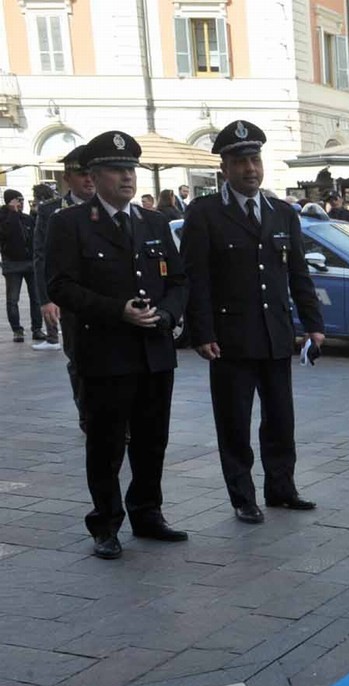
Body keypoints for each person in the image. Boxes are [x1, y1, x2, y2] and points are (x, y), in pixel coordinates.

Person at [46, 131, 188, 558]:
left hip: (154, 352)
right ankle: (105, 523)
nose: (127, 178)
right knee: (106, 444)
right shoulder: (69, 224)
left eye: (131, 170)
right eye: (116, 170)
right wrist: (116, 310)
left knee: (152, 439)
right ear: (93, 175)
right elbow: (60, 285)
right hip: (105, 352)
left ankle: (148, 512)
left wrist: (165, 315)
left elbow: (179, 281)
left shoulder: (154, 222)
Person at [180, 119, 325, 525]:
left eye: (255, 159)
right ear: (224, 168)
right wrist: (202, 331)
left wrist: (312, 323)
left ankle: (281, 488)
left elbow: (298, 273)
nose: (251, 169)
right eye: (241, 161)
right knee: (235, 421)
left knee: (280, 418)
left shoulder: (281, 213)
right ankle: (243, 496)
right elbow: (197, 278)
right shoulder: (205, 214)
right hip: (229, 339)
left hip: (275, 333)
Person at [34, 145, 94, 407]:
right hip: (71, 298)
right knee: (79, 357)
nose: (88, 179)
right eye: (81, 173)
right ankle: (85, 412)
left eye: (92, 172)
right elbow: (40, 256)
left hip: (106, 294)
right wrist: (47, 299)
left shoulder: (110, 205)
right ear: (68, 178)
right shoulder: (52, 211)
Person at [1, 189, 42, 345]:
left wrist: (35, 214)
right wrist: (12, 213)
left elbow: (36, 235)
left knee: (36, 298)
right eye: (18, 200)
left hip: (30, 262)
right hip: (12, 264)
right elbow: (7, 233)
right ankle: (17, 330)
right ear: (10, 202)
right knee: (12, 300)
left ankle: (37, 329)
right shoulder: (3, 218)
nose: (21, 203)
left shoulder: (27, 218)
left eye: (23, 200)